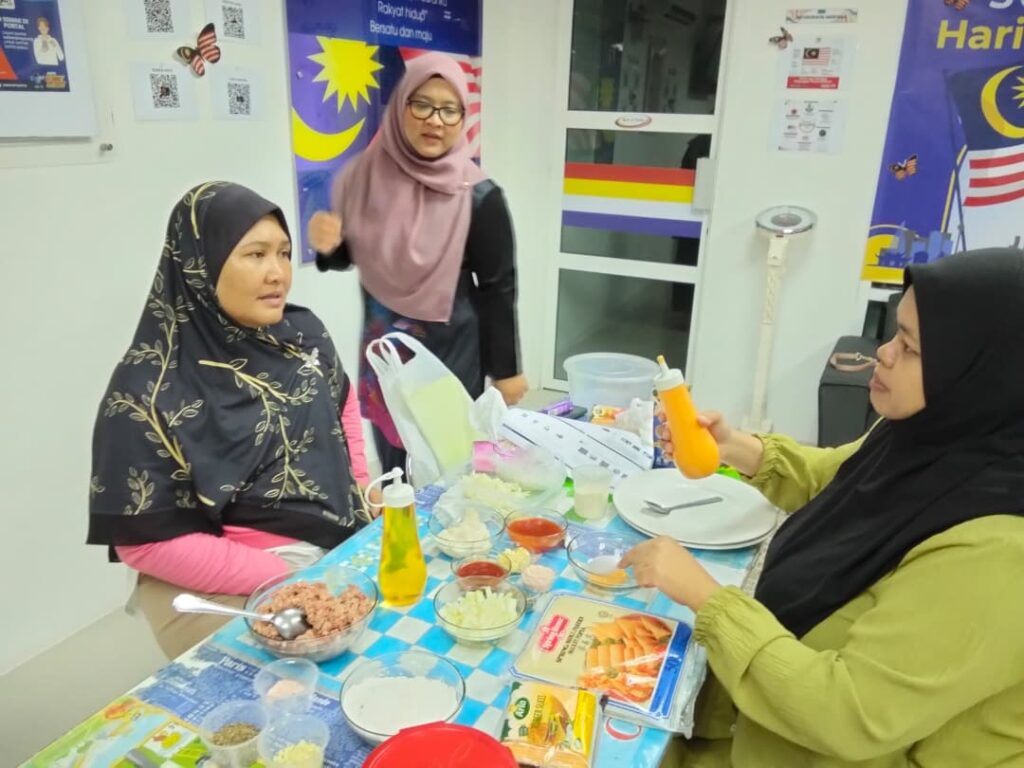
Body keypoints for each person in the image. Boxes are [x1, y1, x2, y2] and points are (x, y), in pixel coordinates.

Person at [622, 248, 1024, 766]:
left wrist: (708, 598)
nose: (883, 354)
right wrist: (738, 448)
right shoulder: (933, 437)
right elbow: (842, 478)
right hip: (753, 725)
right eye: (894, 333)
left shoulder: (997, 555)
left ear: (984, 376)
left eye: (910, 348)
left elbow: (850, 713)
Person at [87, 182, 372, 659]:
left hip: (335, 545)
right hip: (238, 574)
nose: (278, 273)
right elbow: (147, 543)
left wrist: (359, 489)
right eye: (255, 254)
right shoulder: (147, 389)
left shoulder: (301, 335)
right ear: (199, 264)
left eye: (283, 253)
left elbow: (339, 404)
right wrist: (289, 578)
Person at [307, 52, 526, 472]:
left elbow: (498, 288)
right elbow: (352, 255)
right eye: (422, 104)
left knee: (448, 461)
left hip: (451, 349)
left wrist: (507, 370)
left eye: (449, 110)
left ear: (462, 118)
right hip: (384, 348)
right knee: (394, 459)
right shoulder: (364, 178)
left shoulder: (480, 196)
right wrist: (329, 245)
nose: (435, 121)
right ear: (400, 106)